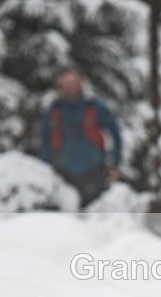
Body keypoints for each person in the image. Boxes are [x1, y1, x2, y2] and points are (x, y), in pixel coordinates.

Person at [39, 68, 123, 207]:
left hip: (95, 173)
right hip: (63, 174)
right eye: (66, 85)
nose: (70, 88)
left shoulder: (96, 107)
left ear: (81, 85)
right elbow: (44, 139)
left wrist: (115, 164)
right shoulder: (54, 110)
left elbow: (115, 134)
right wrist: (46, 166)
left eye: (73, 84)